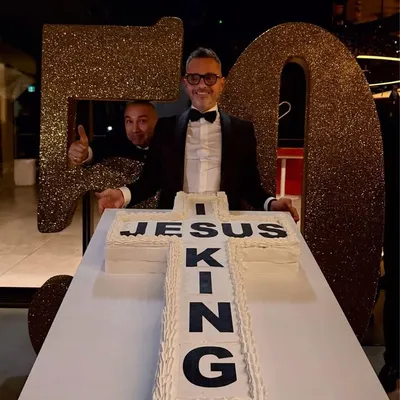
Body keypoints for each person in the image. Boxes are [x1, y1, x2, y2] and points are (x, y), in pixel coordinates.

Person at [96, 48, 299, 221]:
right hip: (176, 222)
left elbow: (250, 186)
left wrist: (271, 204)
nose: (202, 85)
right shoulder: (166, 127)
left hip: (224, 224)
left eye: (210, 78)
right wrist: (121, 195)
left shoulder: (242, 130)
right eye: (194, 78)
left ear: (221, 83)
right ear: (186, 84)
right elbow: (150, 180)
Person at [68, 100, 158, 166]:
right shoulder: (119, 142)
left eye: (142, 121)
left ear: (156, 122)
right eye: (129, 121)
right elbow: (101, 148)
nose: (135, 129)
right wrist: (84, 153)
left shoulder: (165, 143)